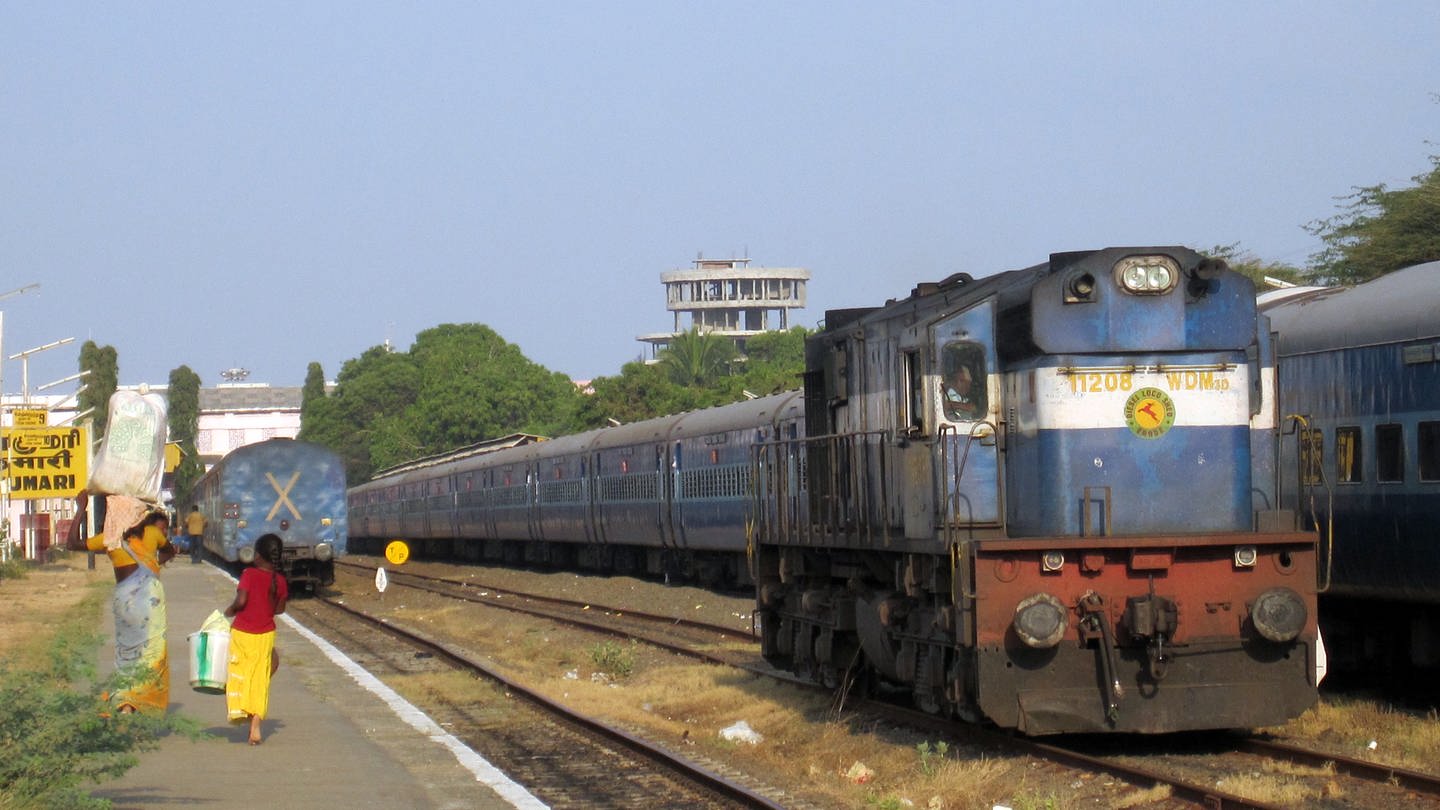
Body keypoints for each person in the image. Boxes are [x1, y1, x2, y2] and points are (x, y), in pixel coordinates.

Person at [65, 489, 177, 715]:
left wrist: (81, 509)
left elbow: (72, 543)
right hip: (149, 600)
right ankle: (136, 699)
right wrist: (156, 565)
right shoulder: (153, 533)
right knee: (151, 651)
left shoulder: (110, 539)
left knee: (127, 651)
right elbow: (169, 550)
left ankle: (125, 700)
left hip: (124, 601)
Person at [224, 533, 289, 745]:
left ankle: (242, 711)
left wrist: (231, 610)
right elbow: (279, 609)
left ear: (258, 556)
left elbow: (241, 600)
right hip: (266, 635)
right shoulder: (280, 581)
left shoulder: (249, 574)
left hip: (243, 632)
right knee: (260, 678)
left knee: (240, 672)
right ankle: (256, 727)